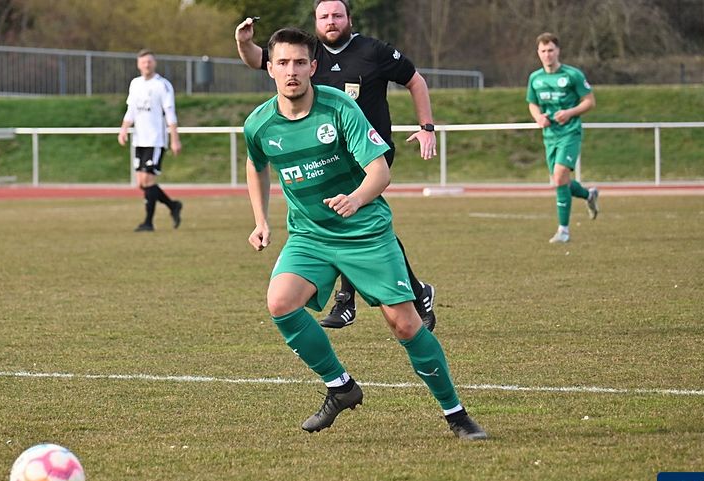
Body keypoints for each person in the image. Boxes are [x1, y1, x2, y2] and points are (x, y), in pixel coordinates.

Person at [243, 27, 487, 440]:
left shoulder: (339, 108)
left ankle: (456, 414)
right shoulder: (259, 124)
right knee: (281, 303)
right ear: (270, 69)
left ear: (313, 67)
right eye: (282, 63)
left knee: (406, 325)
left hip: (365, 232)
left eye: (300, 62)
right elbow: (256, 163)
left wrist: (356, 199)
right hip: (310, 236)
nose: (291, 71)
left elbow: (380, 171)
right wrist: (261, 220)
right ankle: (341, 387)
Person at [236, 0, 437, 331]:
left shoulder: (373, 51)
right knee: (344, 219)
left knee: (356, 220)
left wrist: (427, 126)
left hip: (366, 157)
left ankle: (357, 298)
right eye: (324, 16)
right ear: (315, 21)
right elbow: (260, 58)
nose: (331, 21)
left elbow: (415, 79)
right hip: (324, 155)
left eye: (337, 15)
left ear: (349, 19)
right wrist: (243, 42)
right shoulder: (305, 55)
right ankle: (396, 293)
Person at [527, 32, 599, 244]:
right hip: (550, 135)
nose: (547, 54)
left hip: (570, 132)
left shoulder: (572, 75)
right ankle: (589, 195)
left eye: (551, 50)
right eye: (543, 51)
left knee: (559, 177)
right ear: (538, 53)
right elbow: (532, 103)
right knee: (560, 181)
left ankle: (563, 231)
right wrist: (538, 117)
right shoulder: (535, 78)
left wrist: (569, 113)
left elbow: (589, 101)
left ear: (558, 51)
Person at [118, 49, 183, 232]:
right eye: (143, 62)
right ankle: (173, 205)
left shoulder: (162, 85)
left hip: (155, 140)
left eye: (149, 61)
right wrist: (123, 129)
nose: (146, 64)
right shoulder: (135, 84)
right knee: (141, 182)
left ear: (154, 63)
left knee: (147, 180)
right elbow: (131, 110)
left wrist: (174, 139)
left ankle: (148, 222)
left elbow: (170, 113)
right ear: (138, 64)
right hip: (139, 140)